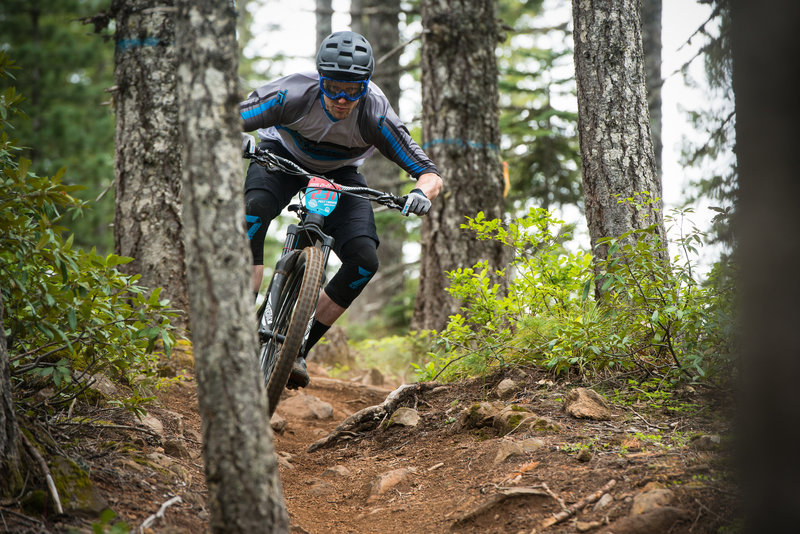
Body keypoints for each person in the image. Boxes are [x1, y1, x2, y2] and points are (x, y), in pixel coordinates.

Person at [240, 30, 443, 388]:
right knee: (254, 211)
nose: (342, 99)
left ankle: (298, 348)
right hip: (280, 156)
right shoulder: (293, 93)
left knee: (364, 260)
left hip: (341, 174)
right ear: (320, 78)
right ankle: (239, 321)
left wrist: (421, 193)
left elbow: (429, 174)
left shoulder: (375, 113)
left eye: (353, 90)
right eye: (334, 87)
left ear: (366, 85)